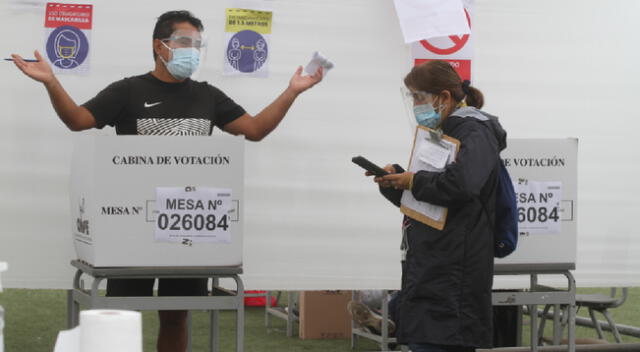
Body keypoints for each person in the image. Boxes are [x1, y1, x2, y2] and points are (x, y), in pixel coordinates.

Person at [11, 10, 322, 352]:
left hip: (186, 225)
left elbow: (255, 130)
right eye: (184, 42)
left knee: (176, 316)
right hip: (130, 226)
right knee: (121, 314)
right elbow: (78, 120)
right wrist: (52, 83)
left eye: (198, 44)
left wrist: (292, 91)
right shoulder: (128, 91)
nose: (193, 50)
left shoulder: (209, 96)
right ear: (159, 46)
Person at [367, 60, 506, 352]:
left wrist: (413, 181)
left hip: (456, 273)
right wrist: (395, 182)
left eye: (418, 97)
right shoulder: (443, 131)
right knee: (423, 340)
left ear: (443, 97)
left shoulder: (475, 131)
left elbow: (463, 184)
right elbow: (433, 201)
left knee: (439, 342)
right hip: (432, 264)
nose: (415, 105)